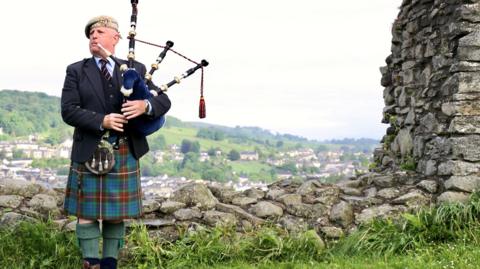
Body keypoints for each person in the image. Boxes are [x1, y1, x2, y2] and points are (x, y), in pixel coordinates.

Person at [61, 15, 171, 269]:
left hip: (124, 150)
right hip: (90, 148)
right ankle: (90, 263)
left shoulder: (136, 69)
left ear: (116, 38)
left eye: (99, 31)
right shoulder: (76, 70)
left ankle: (110, 264)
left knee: (115, 217)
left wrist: (145, 105)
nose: (94, 36)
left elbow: (163, 101)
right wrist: (102, 120)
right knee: (86, 214)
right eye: (91, 34)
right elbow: (68, 110)